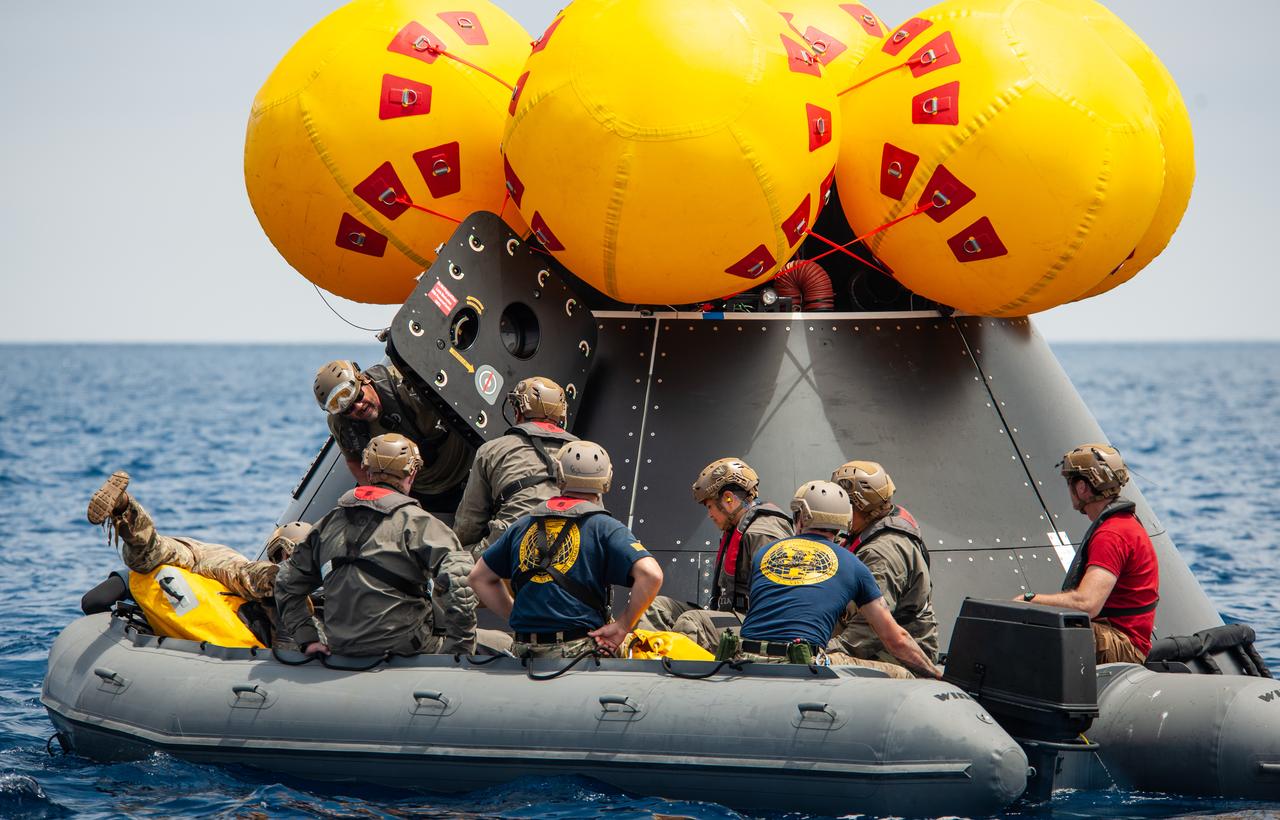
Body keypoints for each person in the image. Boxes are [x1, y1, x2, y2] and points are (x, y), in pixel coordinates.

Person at [275, 434, 478, 657]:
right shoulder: (419, 523)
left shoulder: (327, 524)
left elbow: (286, 582)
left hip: (341, 647)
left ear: (367, 470)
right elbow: (460, 582)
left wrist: (307, 639)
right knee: (500, 642)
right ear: (412, 473)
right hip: (408, 646)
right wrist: (460, 649)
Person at [468, 441, 664, 658]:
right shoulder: (606, 528)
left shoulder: (521, 526)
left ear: (559, 475)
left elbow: (479, 577)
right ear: (606, 480)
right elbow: (651, 574)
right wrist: (623, 625)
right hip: (577, 653)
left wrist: (516, 615)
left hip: (523, 652)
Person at [731, 480, 942, 679]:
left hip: (744, 658)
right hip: (801, 663)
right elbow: (895, 639)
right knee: (904, 675)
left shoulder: (764, 554)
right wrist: (936, 675)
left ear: (802, 518)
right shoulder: (854, 565)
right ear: (845, 520)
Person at [83, 470, 311, 647]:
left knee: (148, 554)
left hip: (197, 564)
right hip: (215, 564)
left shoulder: (144, 578)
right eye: (286, 555)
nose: (287, 560)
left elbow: (92, 601)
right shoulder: (251, 576)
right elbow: (250, 576)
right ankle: (125, 509)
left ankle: (124, 506)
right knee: (149, 555)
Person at [1018, 444, 1159, 664]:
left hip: (1123, 645)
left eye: (1070, 482)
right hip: (1124, 640)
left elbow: (1087, 604)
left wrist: (1029, 601)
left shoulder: (1112, 534)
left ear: (1082, 487)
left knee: (1030, 627)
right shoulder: (1124, 524)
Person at [644, 458, 793, 650]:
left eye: (710, 507)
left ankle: (679, 676)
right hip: (731, 616)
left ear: (728, 499)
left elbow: (779, 602)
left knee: (693, 624)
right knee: (655, 608)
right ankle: (648, 664)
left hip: (759, 626)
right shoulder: (738, 528)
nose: (709, 515)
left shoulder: (762, 533)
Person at [313, 359, 473, 507]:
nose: (359, 407)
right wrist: (381, 503)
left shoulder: (405, 382)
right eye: (348, 409)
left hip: (466, 469)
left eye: (359, 396)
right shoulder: (341, 424)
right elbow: (354, 461)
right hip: (418, 492)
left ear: (365, 380)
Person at [827, 461, 939, 668]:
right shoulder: (864, 531)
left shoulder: (882, 554)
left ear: (858, 506)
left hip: (894, 659)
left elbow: (867, 635)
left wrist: (819, 651)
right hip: (871, 646)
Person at [452, 376, 578, 560]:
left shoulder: (492, 451)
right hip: (572, 550)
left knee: (458, 558)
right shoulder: (586, 452)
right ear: (562, 412)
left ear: (519, 410)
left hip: (511, 548)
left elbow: (469, 524)